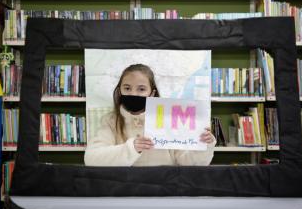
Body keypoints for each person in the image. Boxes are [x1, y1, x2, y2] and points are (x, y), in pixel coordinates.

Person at [84, 64, 216, 166]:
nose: (133, 94)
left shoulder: (169, 118)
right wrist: (132, 148)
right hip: (126, 192)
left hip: (164, 192)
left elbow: (188, 161)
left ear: (152, 93)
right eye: (127, 88)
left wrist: (204, 145)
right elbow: (91, 158)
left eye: (141, 89)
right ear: (120, 91)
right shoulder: (111, 121)